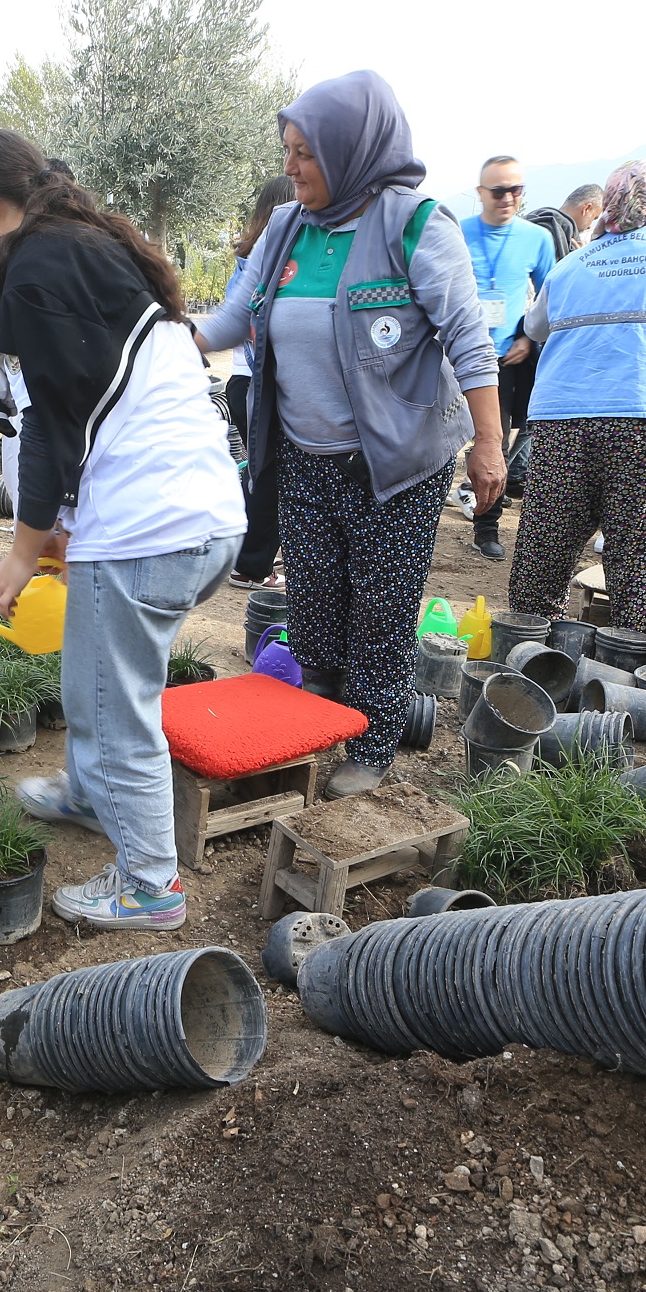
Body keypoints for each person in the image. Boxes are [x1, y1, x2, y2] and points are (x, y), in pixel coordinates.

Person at [0, 126, 245, 927]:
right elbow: (92, 404)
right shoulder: (87, 246)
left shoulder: (37, 263)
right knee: (93, 676)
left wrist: (21, 549)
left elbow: (44, 429)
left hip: (152, 525)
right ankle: (85, 794)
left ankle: (151, 886)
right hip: (202, 515)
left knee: (118, 710)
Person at [197, 71, 505, 799]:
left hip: (394, 463)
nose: (290, 167)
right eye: (288, 150)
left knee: (381, 608)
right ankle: (320, 721)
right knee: (313, 602)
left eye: (305, 152)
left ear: (352, 149)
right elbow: (234, 315)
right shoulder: (286, 229)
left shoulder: (416, 225)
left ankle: (372, 741)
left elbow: (468, 340)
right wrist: (168, 340)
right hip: (305, 453)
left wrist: (489, 443)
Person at [507, 161, 646, 632]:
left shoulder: (571, 263)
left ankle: (525, 653)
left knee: (546, 545)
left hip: (565, 418)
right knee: (636, 554)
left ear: (610, 203)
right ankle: (626, 664)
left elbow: (536, 326)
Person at [460, 155, 557, 559]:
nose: (507, 198)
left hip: (500, 361)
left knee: (494, 443)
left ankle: (486, 525)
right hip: (451, 357)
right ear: (481, 193)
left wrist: (526, 339)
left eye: (515, 190)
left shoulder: (537, 238)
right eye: (498, 190)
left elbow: (552, 298)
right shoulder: (457, 231)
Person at [223, 174, 297, 591]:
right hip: (258, 385)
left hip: (241, 382)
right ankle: (251, 567)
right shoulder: (271, 263)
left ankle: (253, 557)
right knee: (269, 477)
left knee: (262, 473)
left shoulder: (246, 258)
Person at [525, 184, 603, 263]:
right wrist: (581, 260)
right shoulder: (559, 234)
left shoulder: (533, 219)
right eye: (594, 218)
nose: (590, 226)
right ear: (587, 208)